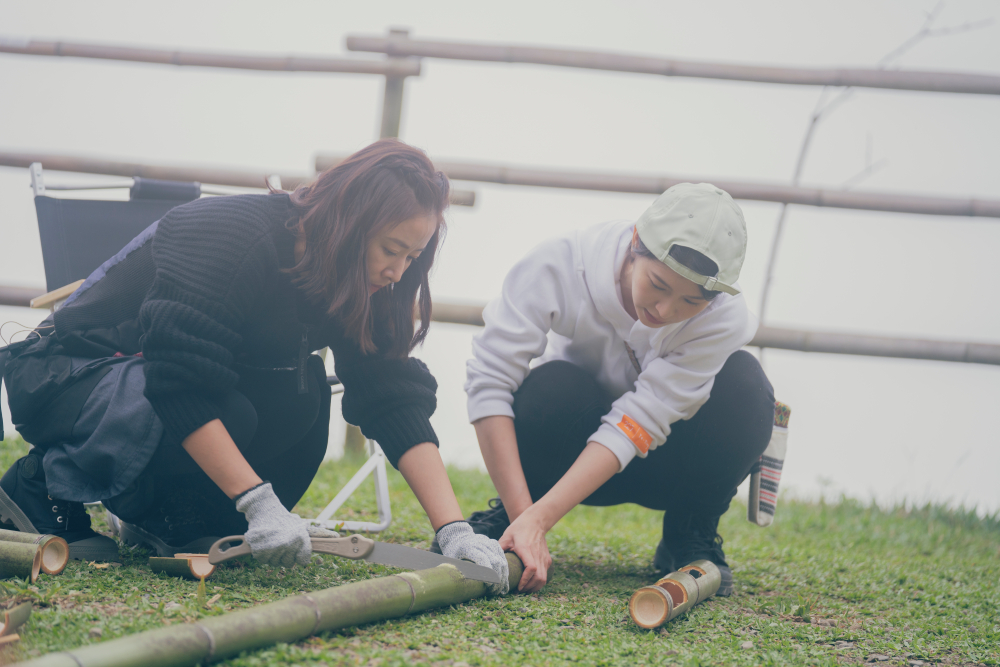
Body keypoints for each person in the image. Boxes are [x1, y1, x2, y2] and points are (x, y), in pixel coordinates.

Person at [0, 139, 508, 591]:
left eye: (412, 257)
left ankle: (167, 519)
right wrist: (258, 503)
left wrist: (453, 530)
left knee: (302, 397)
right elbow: (179, 382)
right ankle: (38, 481)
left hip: (157, 388)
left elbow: (391, 395)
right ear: (349, 225)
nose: (397, 272)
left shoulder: (369, 284)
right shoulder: (230, 233)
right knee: (230, 409)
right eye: (390, 250)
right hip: (67, 376)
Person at [460, 183, 775, 594]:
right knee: (548, 389)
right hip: (562, 458)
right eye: (658, 285)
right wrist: (527, 519)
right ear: (634, 243)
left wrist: (537, 523)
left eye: (690, 303)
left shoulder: (723, 318)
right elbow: (489, 381)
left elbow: (639, 420)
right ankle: (512, 514)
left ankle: (689, 532)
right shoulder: (558, 264)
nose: (665, 311)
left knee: (746, 385)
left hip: (666, 467)